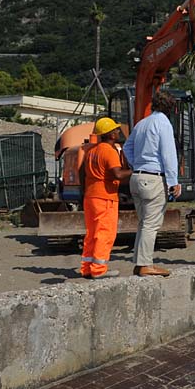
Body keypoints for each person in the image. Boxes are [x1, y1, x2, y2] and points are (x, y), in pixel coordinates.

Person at [123, 91, 181, 277]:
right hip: (153, 178)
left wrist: (136, 164)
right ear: (170, 108)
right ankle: (146, 264)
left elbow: (126, 147)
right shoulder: (163, 123)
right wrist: (173, 182)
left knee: (143, 223)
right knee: (151, 225)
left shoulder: (142, 123)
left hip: (136, 177)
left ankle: (139, 264)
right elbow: (168, 154)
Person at [80, 117, 132, 279]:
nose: (118, 131)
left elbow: (82, 172)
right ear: (111, 135)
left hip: (90, 196)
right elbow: (118, 174)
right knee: (105, 233)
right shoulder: (109, 151)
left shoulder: (91, 151)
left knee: (92, 233)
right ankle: (99, 269)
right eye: (115, 130)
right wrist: (136, 171)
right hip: (105, 197)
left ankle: (87, 268)